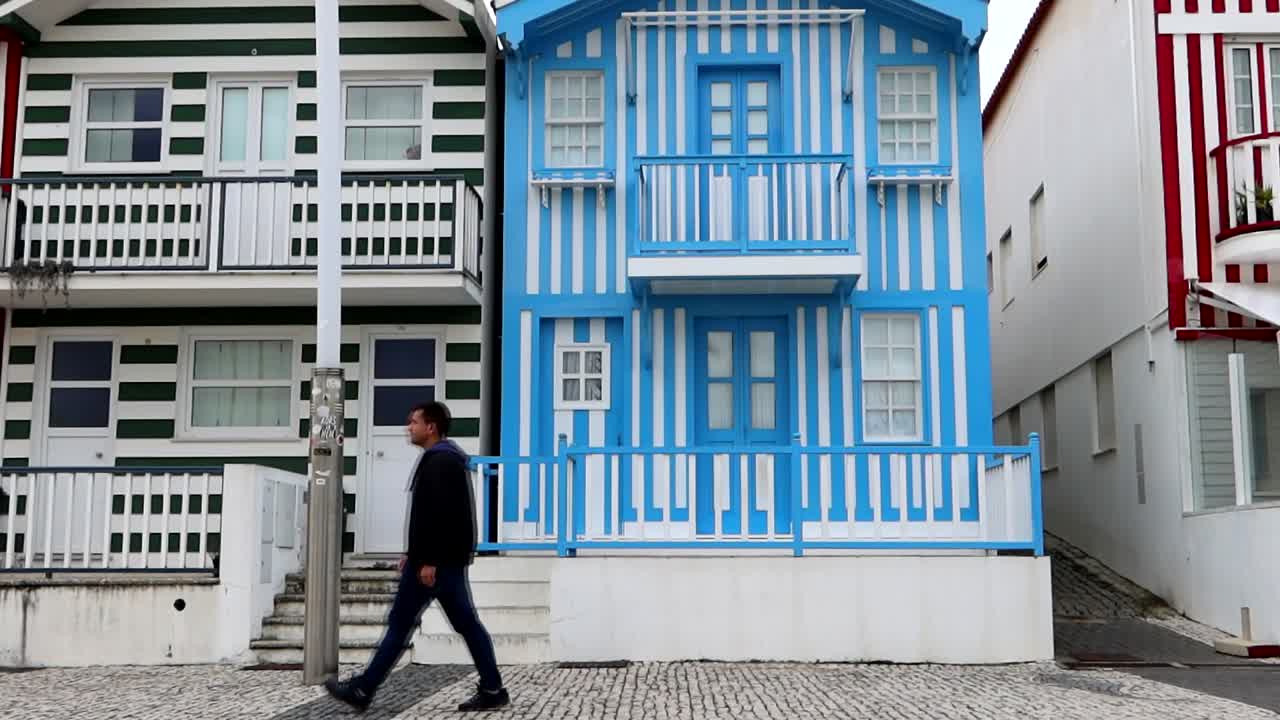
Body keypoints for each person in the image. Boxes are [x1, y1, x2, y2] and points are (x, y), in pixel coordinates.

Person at [324, 400, 509, 713]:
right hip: (438, 562)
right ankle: (492, 688)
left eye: (414, 423)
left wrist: (428, 561)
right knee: (465, 625)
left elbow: (443, 517)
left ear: (431, 427)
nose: (408, 428)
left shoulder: (441, 462)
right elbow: (430, 515)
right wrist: (414, 554)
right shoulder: (441, 459)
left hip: (435, 565)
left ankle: (363, 689)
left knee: (400, 625)